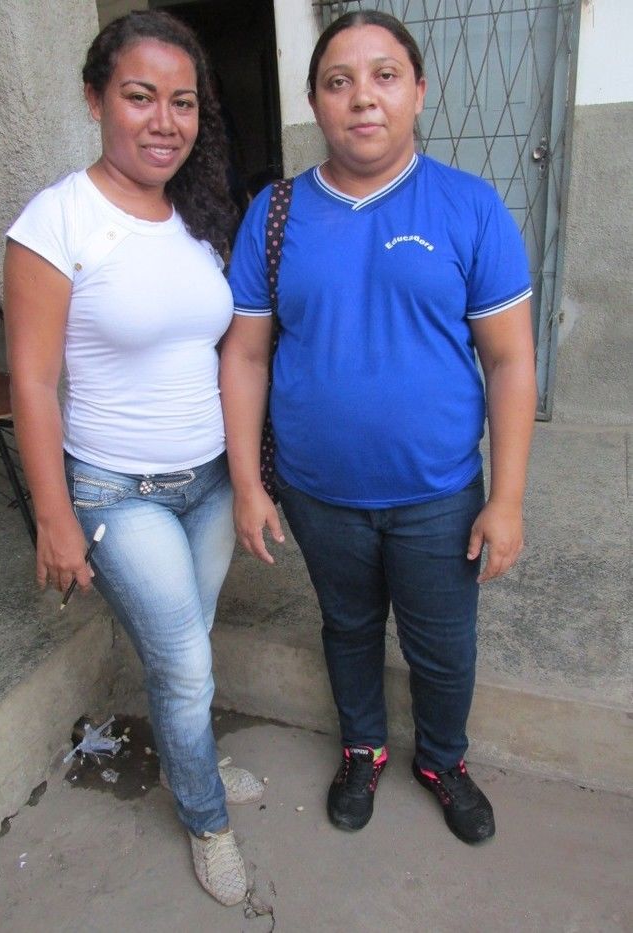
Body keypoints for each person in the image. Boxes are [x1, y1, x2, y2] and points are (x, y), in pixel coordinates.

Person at [220, 10, 537, 846]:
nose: (363, 97)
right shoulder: (275, 214)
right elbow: (245, 355)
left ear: (418, 92)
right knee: (349, 627)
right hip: (318, 493)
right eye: (339, 81)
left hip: (440, 494)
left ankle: (443, 759)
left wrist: (506, 499)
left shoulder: (470, 206)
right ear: (316, 103)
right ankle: (363, 747)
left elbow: (510, 361)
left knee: (443, 645)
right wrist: (249, 484)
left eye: (385, 76)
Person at [4, 11, 262, 906]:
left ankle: (195, 755)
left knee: (186, 646)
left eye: (183, 102)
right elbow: (33, 382)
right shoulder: (57, 220)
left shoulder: (198, 214)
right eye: (140, 96)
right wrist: (54, 517)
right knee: (184, 661)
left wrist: (245, 477)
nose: (165, 121)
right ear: (95, 99)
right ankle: (206, 816)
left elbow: (224, 349)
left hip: (209, 483)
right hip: (119, 491)